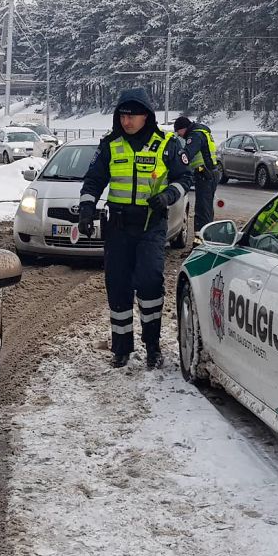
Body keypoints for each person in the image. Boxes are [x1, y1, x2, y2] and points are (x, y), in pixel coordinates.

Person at [77, 88, 193, 369]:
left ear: (147, 116)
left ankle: (152, 346)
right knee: (117, 286)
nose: (127, 121)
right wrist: (86, 209)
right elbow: (93, 181)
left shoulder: (167, 144)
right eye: (123, 115)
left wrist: (167, 196)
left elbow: (184, 178)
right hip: (117, 227)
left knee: (150, 282)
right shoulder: (110, 144)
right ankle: (121, 349)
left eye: (133, 115)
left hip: (150, 225)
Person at [174, 116, 218, 244]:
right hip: (210, 173)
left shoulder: (194, 136)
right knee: (207, 209)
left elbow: (186, 155)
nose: (179, 135)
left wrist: (176, 160)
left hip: (204, 174)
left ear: (184, 128)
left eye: (179, 131)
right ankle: (207, 240)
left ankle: (200, 243)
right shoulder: (202, 131)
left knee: (201, 211)